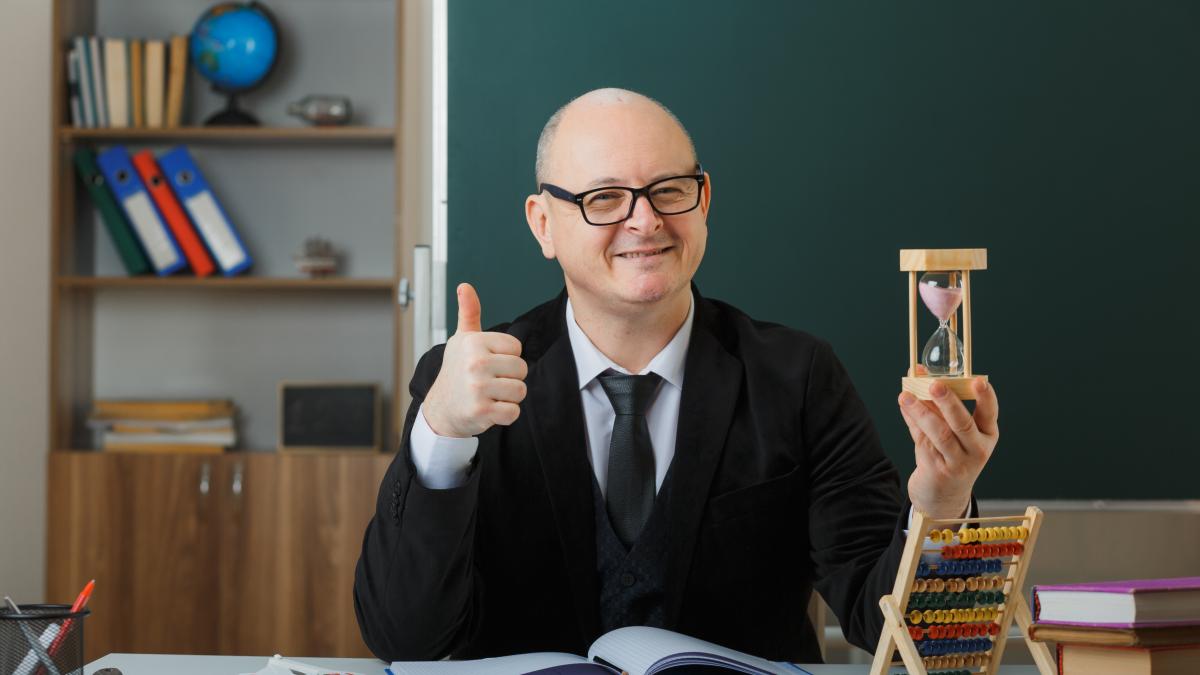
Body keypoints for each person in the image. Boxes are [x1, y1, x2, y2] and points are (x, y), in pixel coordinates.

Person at [353, 88, 999, 664]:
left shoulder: (798, 376)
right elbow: (403, 637)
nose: (645, 220)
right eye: (604, 197)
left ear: (704, 200)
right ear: (543, 223)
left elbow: (900, 625)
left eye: (668, 190)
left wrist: (940, 505)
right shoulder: (466, 383)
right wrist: (441, 437)